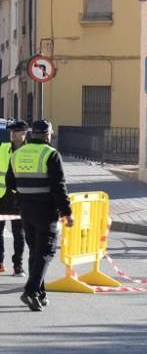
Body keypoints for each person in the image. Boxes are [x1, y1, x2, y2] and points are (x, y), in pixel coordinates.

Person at [6, 119, 73, 311]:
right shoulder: (50, 153)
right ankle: (31, 291)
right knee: (46, 251)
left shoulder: (18, 153)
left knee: (35, 251)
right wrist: (67, 212)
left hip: (25, 209)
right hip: (46, 210)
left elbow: (10, 183)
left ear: (31, 134)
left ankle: (39, 295)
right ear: (47, 135)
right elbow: (59, 186)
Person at [0, 120, 29, 277]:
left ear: (24, 133)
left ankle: (18, 265)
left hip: (20, 196)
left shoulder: (30, 151)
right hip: (1, 195)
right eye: (10, 131)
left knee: (19, 233)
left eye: (15, 131)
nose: (11, 133)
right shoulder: (3, 148)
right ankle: (0, 262)